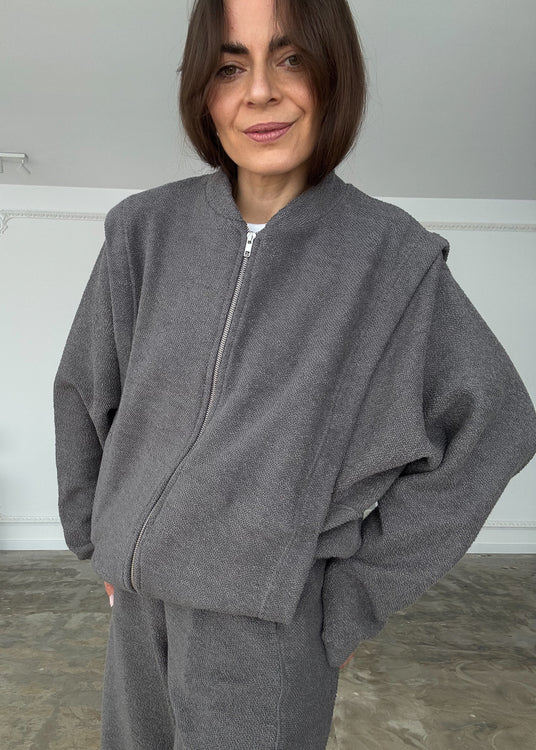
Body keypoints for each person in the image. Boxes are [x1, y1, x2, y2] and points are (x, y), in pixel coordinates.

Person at [53, 0, 536, 748]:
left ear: (334, 74)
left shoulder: (389, 257)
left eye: (291, 59)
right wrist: (98, 539)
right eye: (229, 67)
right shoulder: (142, 231)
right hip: (139, 606)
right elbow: (87, 391)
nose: (259, 93)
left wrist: (351, 599)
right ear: (203, 93)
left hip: (267, 628)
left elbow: (494, 424)